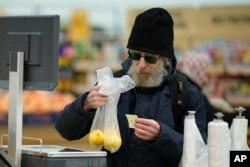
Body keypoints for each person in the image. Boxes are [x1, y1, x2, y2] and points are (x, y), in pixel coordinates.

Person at [55, 7, 207, 167]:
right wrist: (85, 105)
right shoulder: (112, 84)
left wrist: (162, 136)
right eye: (135, 55)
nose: (141, 65)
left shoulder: (185, 94)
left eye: (149, 58)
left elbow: (198, 153)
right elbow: (65, 130)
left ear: (165, 59)